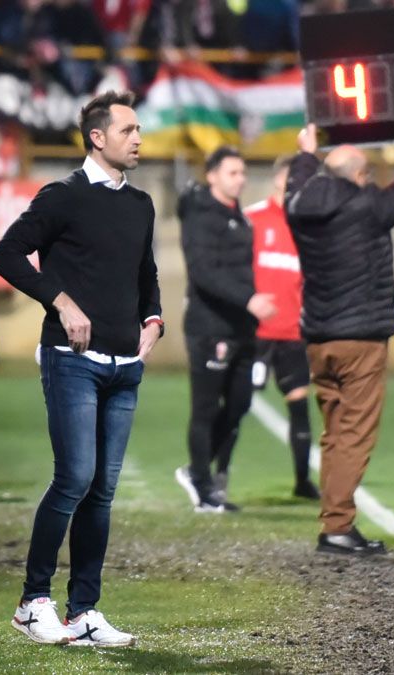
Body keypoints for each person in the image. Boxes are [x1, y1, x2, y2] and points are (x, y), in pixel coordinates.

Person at [0, 90, 161, 648]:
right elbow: (6, 254)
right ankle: (31, 602)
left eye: (138, 130)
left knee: (102, 492)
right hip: (73, 362)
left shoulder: (140, 204)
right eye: (129, 129)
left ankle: (84, 610)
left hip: (124, 366)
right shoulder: (61, 196)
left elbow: (146, 272)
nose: (139, 138)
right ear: (97, 136)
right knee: (73, 479)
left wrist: (153, 319)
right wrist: (59, 300)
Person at [283, 117, 394, 555]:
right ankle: (337, 526)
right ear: (357, 175)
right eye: (366, 173)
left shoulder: (298, 204)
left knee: (335, 432)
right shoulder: (366, 208)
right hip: (361, 341)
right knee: (353, 434)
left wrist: (305, 152)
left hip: (319, 339)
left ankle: (335, 520)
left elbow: (297, 181)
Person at [174, 146, 275, 514]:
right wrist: (249, 299)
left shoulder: (239, 218)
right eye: (233, 173)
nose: (241, 179)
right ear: (212, 175)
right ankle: (202, 483)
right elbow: (203, 273)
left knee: (240, 404)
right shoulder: (201, 217)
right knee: (205, 407)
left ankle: (197, 472)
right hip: (210, 327)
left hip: (241, 328)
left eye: (243, 173)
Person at [245, 155, 319, 501]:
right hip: (255, 333)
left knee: (299, 403)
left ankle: (303, 481)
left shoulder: (310, 226)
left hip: (292, 332)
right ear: (278, 179)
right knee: (235, 404)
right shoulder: (253, 219)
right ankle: (215, 475)